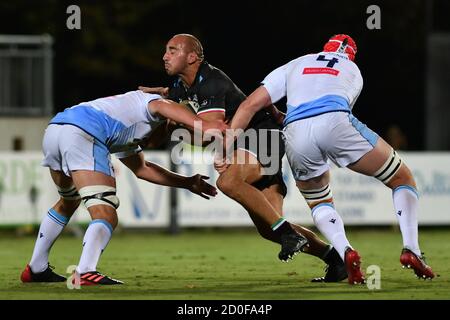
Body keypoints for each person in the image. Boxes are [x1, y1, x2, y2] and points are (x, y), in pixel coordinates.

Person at [227, 34, 435, 284]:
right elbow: (331, 108)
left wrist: (227, 146)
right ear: (350, 55)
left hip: (296, 130)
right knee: (402, 177)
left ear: (324, 48)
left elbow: (250, 105)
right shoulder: (352, 69)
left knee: (319, 200)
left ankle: (345, 251)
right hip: (335, 120)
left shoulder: (298, 62)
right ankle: (411, 248)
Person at [140, 33, 347, 283]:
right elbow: (162, 132)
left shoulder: (211, 81)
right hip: (248, 143)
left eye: (173, 50)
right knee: (269, 228)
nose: (165, 56)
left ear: (192, 57)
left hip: (263, 136)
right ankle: (335, 259)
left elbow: (210, 134)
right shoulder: (179, 87)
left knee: (228, 182)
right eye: (166, 50)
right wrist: (153, 108)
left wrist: (176, 126)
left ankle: (288, 235)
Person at [20, 90, 227, 285]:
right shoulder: (158, 105)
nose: (169, 136)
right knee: (106, 212)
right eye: (174, 129)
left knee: (69, 201)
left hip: (56, 129)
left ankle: (36, 268)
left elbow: (142, 169)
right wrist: (204, 125)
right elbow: (165, 106)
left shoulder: (128, 124)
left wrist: (188, 182)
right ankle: (84, 271)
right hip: (82, 132)